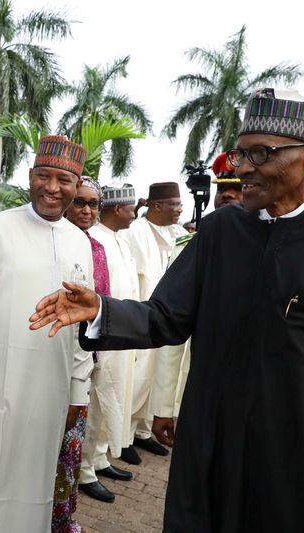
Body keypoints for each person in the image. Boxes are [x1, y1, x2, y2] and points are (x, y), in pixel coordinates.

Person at [30, 88, 304, 532]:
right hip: (208, 454)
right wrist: (100, 310)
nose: (243, 168)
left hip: (296, 473)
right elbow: (166, 316)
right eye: (239, 153)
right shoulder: (223, 230)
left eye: (260, 153)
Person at [0, 135, 94, 533]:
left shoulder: (80, 242)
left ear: (77, 184)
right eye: (44, 176)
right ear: (30, 176)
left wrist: (77, 391)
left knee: (34, 491)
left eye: (64, 180)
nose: (52, 188)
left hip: (50, 396)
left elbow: (81, 327)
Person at [151, 151, 242, 425]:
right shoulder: (191, 247)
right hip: (202, 391)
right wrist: (164, 407)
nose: (227, 195)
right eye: (223, 189)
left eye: (237, 189)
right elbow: (172, 333)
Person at [51, 176, 109, 531]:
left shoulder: (97, 249)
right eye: (81, 202)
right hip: (46, 355)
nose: (86, 210)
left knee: (70, 443)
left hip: (83, 359)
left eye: (93, 204)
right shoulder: (51, 242)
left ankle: (61, 518)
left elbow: (104, 305)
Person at [77, 184, 139, 504]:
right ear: (117, 208)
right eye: (130, 208)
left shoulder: (118, 241)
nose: (134, 213)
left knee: (110, 399)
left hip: (118, 334)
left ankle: (100, 460)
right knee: (94, 402)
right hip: (97, 335)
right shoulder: (94, 240)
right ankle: (85, 470)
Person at [118, 181, 187, 463]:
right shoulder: (136, 233)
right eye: (176, 205)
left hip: (169, 318)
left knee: (159, 378)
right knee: (138, 378)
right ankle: (126, 437)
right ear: (158, 206)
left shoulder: (180, 234)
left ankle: (145, 431)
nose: (180, 210)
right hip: (144, 316)